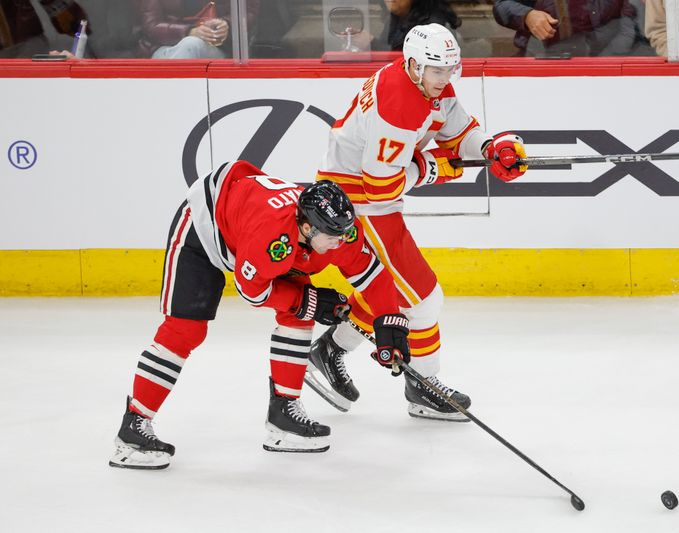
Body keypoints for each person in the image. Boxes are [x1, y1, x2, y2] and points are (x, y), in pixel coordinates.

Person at [109, 160, 407, 469]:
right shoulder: (272, 238)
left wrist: (388, 323)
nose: (341, 243)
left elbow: (373, 275)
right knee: (185, 330)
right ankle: (132, 429)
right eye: (333, 236)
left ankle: (284, 416)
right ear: (307, 227)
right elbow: (253, 292)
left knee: (300, 313)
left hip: (248, 226)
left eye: (345, 233)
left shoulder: (337, 231)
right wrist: (309, 299)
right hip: (205, 228)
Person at [305, 23, 529, 422]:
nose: (445, 80)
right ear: (413, 66)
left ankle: (331, 350)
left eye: (450, 70)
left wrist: (491, 148)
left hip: (371, 198)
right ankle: (422, 387)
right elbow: (381, 188)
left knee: (400, 294)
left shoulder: (430, 82)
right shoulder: (398, 104)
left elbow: (458, 131)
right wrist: (430, 168)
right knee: (422, 299)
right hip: (358, 200)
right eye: (437, 71)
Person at [492, 0, 639, 57]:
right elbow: (502, 6)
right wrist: (528, 15)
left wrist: (606, 59)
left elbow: (628, 24)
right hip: (544, 64)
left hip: (606, 67)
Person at [135, 0, 259, 59]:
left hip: (216, 49)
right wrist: (189, 32)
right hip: (164, 48)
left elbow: (248, 12)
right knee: (191, 44)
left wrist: (226, 24)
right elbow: (151, 27)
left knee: (192, 45)